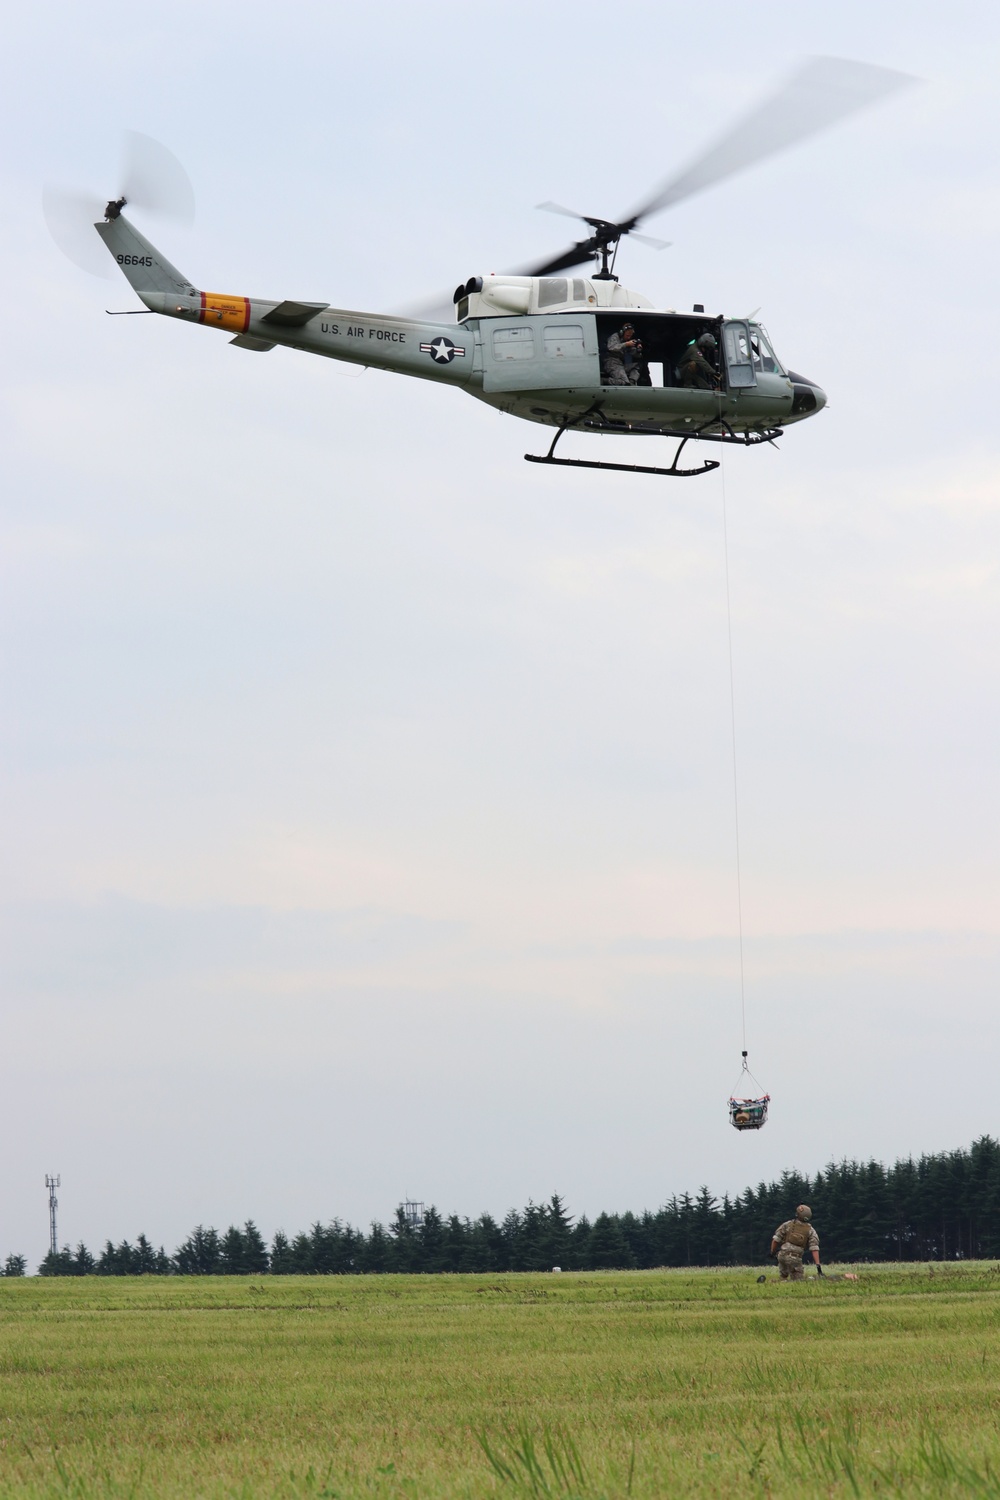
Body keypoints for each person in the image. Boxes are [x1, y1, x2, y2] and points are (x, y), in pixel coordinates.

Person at [770, 1204, 820, 1281]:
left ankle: (776, 1282)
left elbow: (775, 1240)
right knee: (798, 1281)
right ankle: (776, 1282)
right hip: (795, 1258)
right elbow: (814, 1249)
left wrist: (772, 1253)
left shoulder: (787, 1224)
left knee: (783, 1277)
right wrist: (818, 1267)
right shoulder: (810, 1230)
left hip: (782, 1256)